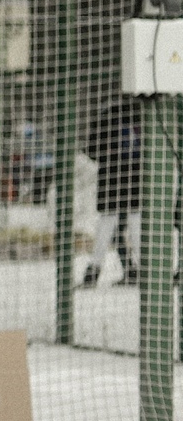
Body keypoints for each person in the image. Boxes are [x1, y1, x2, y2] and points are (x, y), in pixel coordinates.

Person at [84, 94, 141, 287]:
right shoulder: (142, 113)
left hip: (111, 177)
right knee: (135, 221)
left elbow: (91, 150)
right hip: (136, 177)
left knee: (108, 223)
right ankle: (144, 269)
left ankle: (93, 271)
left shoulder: (106, 115)